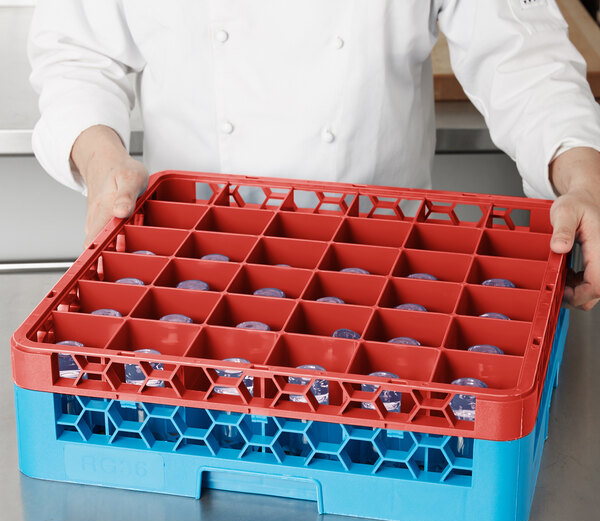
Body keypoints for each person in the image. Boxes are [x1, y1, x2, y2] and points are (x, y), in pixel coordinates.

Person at [28, 0, 600, 310]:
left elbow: (522, 56)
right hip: (192, 264)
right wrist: (104, 163)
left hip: (384, 271)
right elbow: (77, 51)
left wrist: (583, 175)